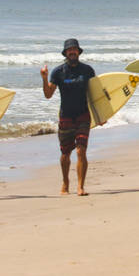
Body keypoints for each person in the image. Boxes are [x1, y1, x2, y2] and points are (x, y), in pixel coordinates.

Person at [41, 38, 96, 196]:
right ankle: (65, 181)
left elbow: (95, 94)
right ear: (65, 53)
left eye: (75, 49)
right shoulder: (58, 72)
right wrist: (44, 78)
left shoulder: (87, 70)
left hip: (83, 116)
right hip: (65, 116)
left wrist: (101, 115)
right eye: (69, 50)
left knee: (81, 151)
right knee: (65, 154)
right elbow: (48, 94)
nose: (72, 52)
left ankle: (80, 186)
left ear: (79, 52)